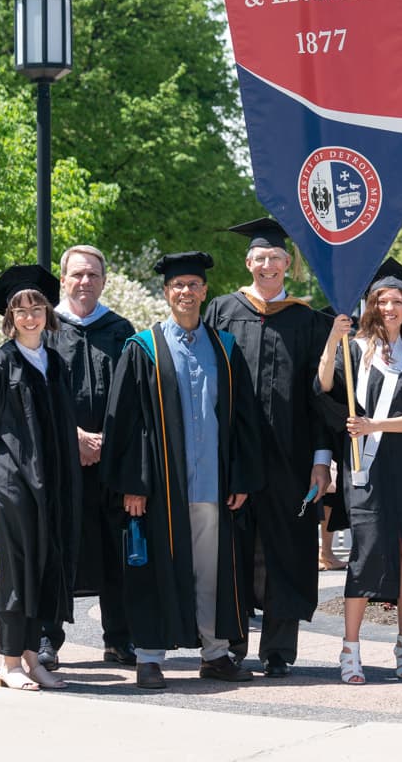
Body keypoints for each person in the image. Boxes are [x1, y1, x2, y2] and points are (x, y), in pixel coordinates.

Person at [101, 251, 263, 690]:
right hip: (159, 488)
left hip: (213, 482)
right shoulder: (143, 348)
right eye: (178, 285)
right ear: (166, 292)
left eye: (193, 284)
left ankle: (214, 654)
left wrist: (242, 478)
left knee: (212, 571)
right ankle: (150, 657)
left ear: (205, 291)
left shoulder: (225, 349)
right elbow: (126, 424)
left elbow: (245, 420)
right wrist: (133, 485)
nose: (186, 292)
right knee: (154, 570)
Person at [202, 218, 335, 678]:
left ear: (287, 264)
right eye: (260, 258)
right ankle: (231, 644)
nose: (267, 265)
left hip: (293, 461)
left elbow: (322, 398)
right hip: (233, 457)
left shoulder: (309, 321)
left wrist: (322, 461)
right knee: (232, 548)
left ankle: (278, 650)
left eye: (276, 258)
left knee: (288, 549)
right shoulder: (221, 311)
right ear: (248, 262)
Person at [314, 259, 402, 684]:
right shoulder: (355, 354)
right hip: (366, 474)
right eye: (382, 300)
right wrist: (333, 342)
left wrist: (377, 424)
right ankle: (349, 649)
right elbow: (323, 387)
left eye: (397, 301)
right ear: (372, 307)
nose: (390, 307)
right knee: (366, 555)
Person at [0, 265, 80, 692]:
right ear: (9, 317)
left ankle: (33, 659)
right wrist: (1, 474)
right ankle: (8, 661)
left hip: (54, 483)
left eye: (37, 307)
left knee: (46, 567)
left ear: (48, 312)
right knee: (18, 571)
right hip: (15, 483)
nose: (30, 316)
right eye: (21, 310)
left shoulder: (56, 362)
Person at [38, 244, 137, 671]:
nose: (84, 282)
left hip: (111, 462)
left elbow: (136, 397)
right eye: (76, 274)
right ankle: (48, 638)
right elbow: (35, 397)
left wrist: (105, 440)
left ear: (104, 280)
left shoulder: (120, 329)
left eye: (92, 275)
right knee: (57, 548)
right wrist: (74, 436)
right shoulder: (44, 329)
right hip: (61, 463)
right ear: (63, 279)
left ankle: (119, 639)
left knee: (117, 550)